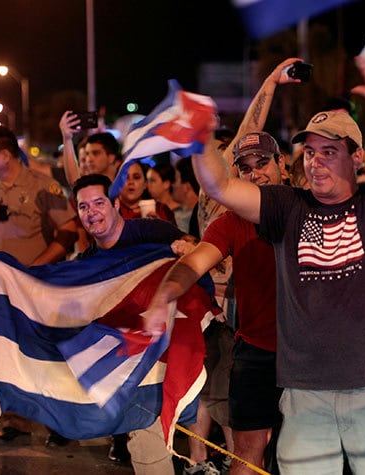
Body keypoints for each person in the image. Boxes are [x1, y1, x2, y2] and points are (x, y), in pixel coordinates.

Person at [182, 54, 365, 474]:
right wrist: (200, 136)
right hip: (305, 401)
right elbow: (218, 184)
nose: (315, 160)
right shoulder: (287, 207)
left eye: (329, 151)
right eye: (309, 152)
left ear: (357, 158)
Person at [148, 131, 286, 475]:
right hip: (255, 351)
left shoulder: (307, 206)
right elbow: (194, 264)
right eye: (245, 168)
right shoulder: (231, 222)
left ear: (282, 163)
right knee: (247, 456)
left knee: (298, 456)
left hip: (306, 354)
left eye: (263, 163)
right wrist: (161, 298)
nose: (255, 174)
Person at [72, 173, 201, 474]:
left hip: (173, 348)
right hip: (130, 364)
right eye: (83, 207)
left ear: (116, 203)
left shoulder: (150, 232)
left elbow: (198, 255)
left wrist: (186, 251)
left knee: (152, 435)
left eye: (99, 203)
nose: (92, 212)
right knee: (144, 438)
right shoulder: (85, 264)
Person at [0, 125, 79, 445]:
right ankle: (17, 419)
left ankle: (59, 422)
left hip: (35, 290)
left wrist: (36, 268)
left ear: (5, 155)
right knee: (5, 355)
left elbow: (68, 231)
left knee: (44, 354)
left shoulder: (43, 186)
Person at [117, 160, 177, 224]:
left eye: (136, 177)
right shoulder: (111, 211)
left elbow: (177, 234)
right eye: (125, 177)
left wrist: (161, 226)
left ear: (145, 184)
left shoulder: (161, 210)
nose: (131, 182)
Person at [172, 156, 201, 239]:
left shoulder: (198, 216)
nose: (173, 185)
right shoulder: (177, 213)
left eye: (176, 180)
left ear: (187, 186)